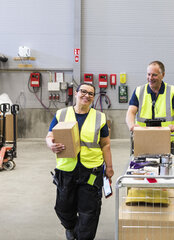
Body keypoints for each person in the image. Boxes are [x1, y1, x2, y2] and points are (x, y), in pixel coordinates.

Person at [45, 83, 114, 240]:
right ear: (76, 94)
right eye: (83, 91)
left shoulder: (99, 117)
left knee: (89, 211)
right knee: (63, 208)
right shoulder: (62, 114)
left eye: (91, 93)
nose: (87, 95)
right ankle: (70, 227)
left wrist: (109, 168)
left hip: (91, 170)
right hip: (66, 169)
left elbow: (106, 144)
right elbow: (49, 136)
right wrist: (51, 145)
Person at [125, 61, 174, 152]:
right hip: (142, 140)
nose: (150, 78)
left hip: (166, 140)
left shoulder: (172, 91)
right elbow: (131, 111)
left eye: (154, 75)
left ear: (163, 75)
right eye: (148, 74)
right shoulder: (139, 91)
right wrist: (132, 125)